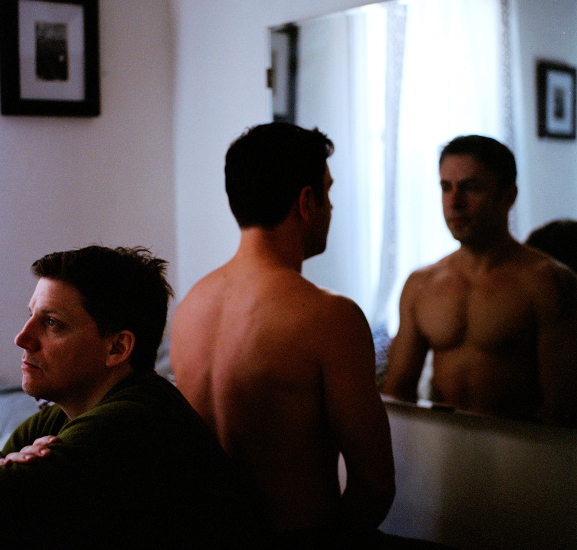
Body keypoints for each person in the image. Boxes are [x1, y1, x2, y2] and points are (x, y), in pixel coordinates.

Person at [0, 245, 262, 550]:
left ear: (117, 348)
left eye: (52, 323)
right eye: (31, 315)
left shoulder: (133, 424)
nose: (22, 338)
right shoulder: (67, 411)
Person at [170, 122, 397, 549]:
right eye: (328, 192)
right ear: (306, 202)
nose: (332, 206)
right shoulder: (330, 317)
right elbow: (375, 485)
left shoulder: (190, 308)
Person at [383, 135, 577, 425]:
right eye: (446, 187)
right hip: (443, 443)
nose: (455, 202)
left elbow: (562, 407)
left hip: (523, 447)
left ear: (508, 196)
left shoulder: (547, 283)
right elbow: (397, 393)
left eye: (471, 188)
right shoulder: (421, 284)